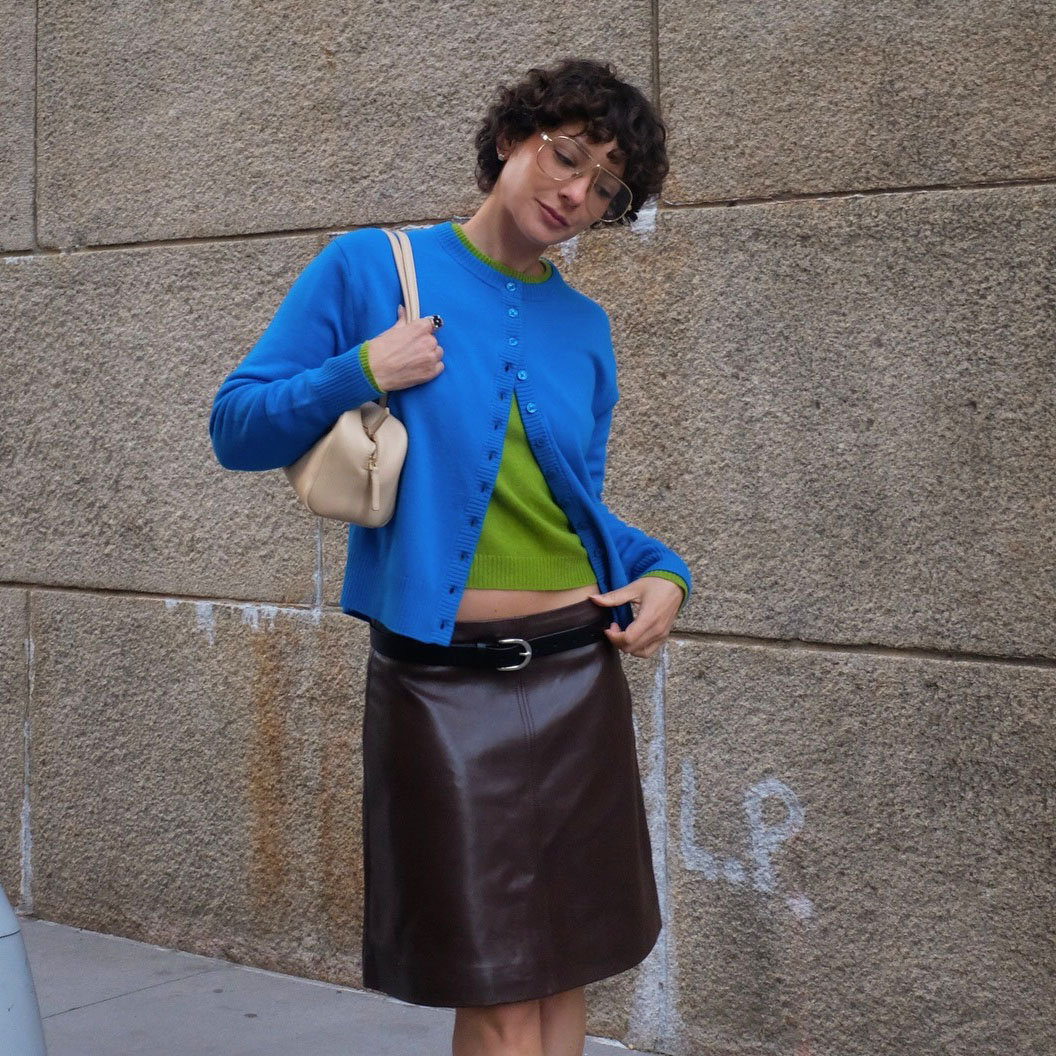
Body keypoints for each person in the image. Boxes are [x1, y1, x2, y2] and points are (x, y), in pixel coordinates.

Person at [210, 57, 691, 1056]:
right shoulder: (371, 269)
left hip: (575, 674)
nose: (577, 194)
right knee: (503, 994)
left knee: (565, 988)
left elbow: (574, 511)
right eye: (566, 158)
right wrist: (359, 370)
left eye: (605, 188)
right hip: (439, 689)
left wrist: (664, 574)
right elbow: (236, 425)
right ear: (513, 136)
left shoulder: (585, 328)